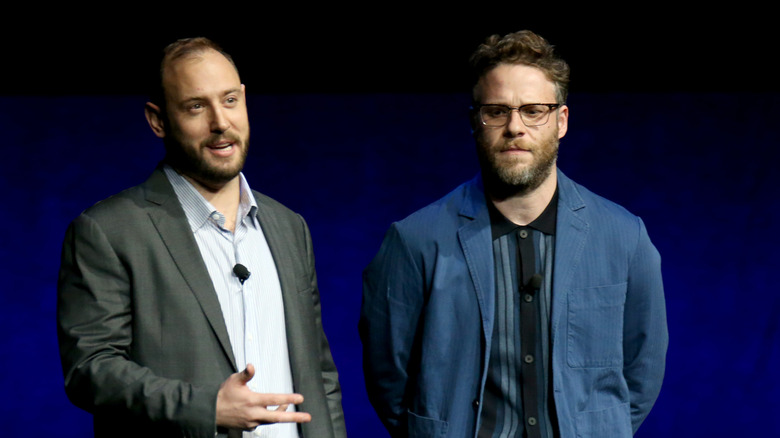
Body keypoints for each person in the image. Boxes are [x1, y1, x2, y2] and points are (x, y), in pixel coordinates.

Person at [360, 30, 668, 438]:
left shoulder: (624, 237)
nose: (515, 127)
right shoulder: (415, 240)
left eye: (533, 110)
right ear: (476, 121)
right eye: (497, 111)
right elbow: (388, 377)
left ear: (561, 121)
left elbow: (642, 371)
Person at [57, 37, 346, 438]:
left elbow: (319, 374)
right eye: (196, 106)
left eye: (229, 100)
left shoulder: (288, 226)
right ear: (157, 120)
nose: (220, 123)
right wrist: (206, 408)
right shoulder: (107, 231)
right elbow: (90, 369)